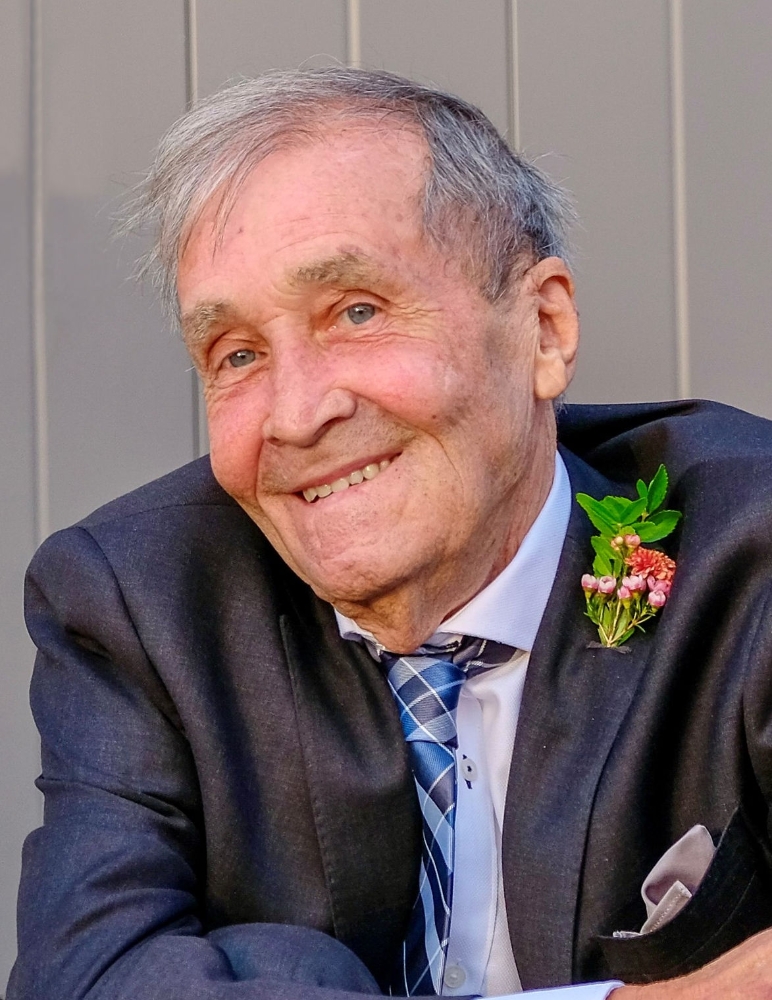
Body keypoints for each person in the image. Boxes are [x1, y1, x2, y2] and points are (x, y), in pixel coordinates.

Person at [9, 68, 772, 1000]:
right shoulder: (142, 601)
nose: (297, 414)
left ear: (543, 329)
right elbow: (84, 978)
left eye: (357, 312)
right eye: (238, 354)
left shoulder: (751, 546)